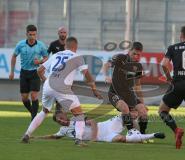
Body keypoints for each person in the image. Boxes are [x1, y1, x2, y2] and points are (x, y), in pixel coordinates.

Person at [21, 37, 102, 146]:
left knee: (44, 111)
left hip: (49, 85)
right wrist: (94, 90)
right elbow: (87, 75)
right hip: (62, 87)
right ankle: (78, 140)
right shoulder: (77, 57)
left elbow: (39, 70)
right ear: (75, 46)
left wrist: (46, 81)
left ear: (65, 46)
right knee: (79, 115)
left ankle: (27, 135)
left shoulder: (56, 55)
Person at [32, 109, 165, 143]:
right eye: (58, 121)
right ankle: (152, 135)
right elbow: (54, 137)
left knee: (130, 115)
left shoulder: (76, 118)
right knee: (122, 140)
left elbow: (93, 123)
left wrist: (93, 138)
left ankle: (138, 133)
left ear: (65, 115)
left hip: (106, 126)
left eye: (61, 117)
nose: (60, 121)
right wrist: (36, 137)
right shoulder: (63, 130)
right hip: (105, 136)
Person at [104, 42, 148, 134]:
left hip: (129, 94)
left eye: (138, 54)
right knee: (125, 108)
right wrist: (106, 76)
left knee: (143, 112)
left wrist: (143, 103)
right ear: (129, 51)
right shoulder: (121, 58)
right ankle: (132, 133)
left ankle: (143, 135)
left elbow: (137, 86)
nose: (136, 56)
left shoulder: (139, 67)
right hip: (114, 93)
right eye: (134, 53)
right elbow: (106, 65)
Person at [9, 24, 48, 121]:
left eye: (34, 35)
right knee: (24, 98)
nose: (32, 37)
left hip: (35, 72)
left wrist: (39, 62)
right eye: (30, 34)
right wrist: (12, 72)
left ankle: (34, 118)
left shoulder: (41, 45)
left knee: (34, 95)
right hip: (24, 73)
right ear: (26, 34)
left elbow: (46, 58)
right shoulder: (20, 44)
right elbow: (14, 56)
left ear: (36, 34)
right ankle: (33, 112)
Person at [47, 26, 68, 115]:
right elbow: (46, 55)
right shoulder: (53, 44)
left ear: (66, 34)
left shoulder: (69, 45)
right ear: (58, 33)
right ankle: (58, 108)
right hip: (56, 71)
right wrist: (42, 62)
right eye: (61, 32)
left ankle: (59, 107)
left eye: (64, 32)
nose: (63, 34)